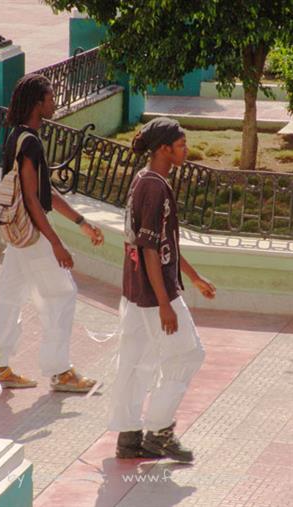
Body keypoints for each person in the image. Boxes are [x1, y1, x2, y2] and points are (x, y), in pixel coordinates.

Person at [108, 118, 216, 461]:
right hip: (155, 294)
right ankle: (160, 431)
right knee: (188, 354)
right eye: (181, 145)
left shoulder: (143, 179)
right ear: (164, 149)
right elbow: (150, 248)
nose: (186, 150)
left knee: (137, 360)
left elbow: (161, 242)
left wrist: (194, 277)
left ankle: (129, 436)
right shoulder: (155, 187)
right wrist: (166, 303)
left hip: (136, 291)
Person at [0, 74, 104, 392]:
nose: (55, 103)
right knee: (63, 293)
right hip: (32, 235)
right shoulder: (32, 143)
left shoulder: (17, 137)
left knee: (10, 295)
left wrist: (81, 222)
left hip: (15, 233)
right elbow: (31, 199)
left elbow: (44, 192)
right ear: (38, 103)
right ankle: (60, 371)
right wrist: (56, 244)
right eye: (51, 98)